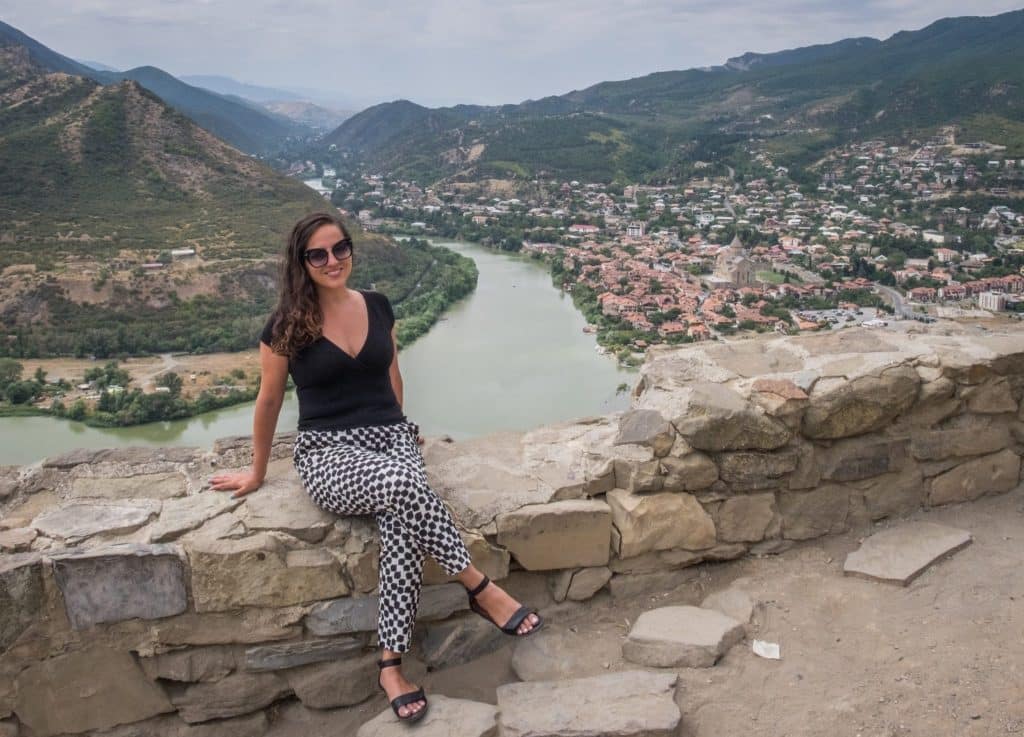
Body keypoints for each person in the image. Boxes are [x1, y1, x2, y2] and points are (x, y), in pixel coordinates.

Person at [209, 212, 542, 724]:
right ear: (301, 263)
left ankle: (389, 665)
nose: (332, 261)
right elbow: (269, 399)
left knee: (400, 524)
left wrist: (400, 427)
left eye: (340, 248)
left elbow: (392, 375)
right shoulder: (284, 327)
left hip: (391, 438)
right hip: (327, 452)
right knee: (403, 484)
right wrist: (256, 471)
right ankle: (479, 586)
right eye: (317, 254)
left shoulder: (379, 306)